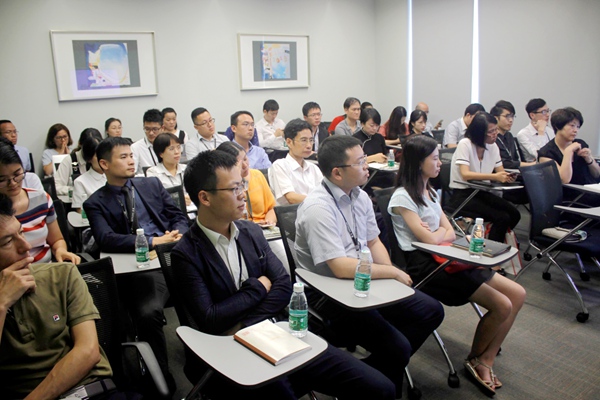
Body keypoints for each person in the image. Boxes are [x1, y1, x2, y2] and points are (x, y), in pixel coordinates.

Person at [170, 150, 396, 400]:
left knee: (381, 388)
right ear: (205, 197)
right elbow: (211, 318)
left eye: (242, 185)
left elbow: (283, 286)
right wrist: (258, 287)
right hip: (230, 352)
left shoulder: (250, 232)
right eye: (234, 189)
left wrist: (244, 322)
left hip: (277, 333)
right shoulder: (186, 253)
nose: (243, 194)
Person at [294, 135, 444, 397]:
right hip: (329, 293)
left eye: (365, 159)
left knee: (431, 310)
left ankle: (369, 376)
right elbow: (340, 267)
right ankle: (375, 381)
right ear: (337, 173)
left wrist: (390, 277)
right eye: (360, 162)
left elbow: (373, 241)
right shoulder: (318, 208)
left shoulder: (360, 196)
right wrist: (392, 271)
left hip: (363, 278)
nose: (367, 166)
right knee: (398, 348)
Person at [390, 134, 526, 395]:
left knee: (518, 294)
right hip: (426, 266)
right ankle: (477, 360)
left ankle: (485, 359)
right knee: (503, 304)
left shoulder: (429, 191)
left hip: (445, 255)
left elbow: (449, 232)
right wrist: (438, 234)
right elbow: (430, 239)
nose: (440, 163)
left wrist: (438, 233)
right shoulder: (402, 198)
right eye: (434, 158)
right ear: (418, 162)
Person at [84, 137, 189, 390]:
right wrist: (152, 241)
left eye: (131, 155)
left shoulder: (150, 184)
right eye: (123, 157)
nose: (131, 161)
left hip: (171, 255)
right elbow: (106, 238)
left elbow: (178, 216)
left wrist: (177, 234)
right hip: (139, 267)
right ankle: (160, 379)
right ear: (104, 164)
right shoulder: (95, 202)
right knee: (148, 313)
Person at [0, 193, 113, 399]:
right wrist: (2, 303)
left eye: (21, 233)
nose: (26, 247)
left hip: (88, 389)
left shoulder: (61, 275)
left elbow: (88, 352)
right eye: (7, 241)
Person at [0, 137, 80, 265]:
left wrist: (60, 250)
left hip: (45, 268)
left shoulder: (41, 199)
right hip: (11, 273)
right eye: (2, 180)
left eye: (17, 174)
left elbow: (56, 240)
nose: (13, 183)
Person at [448, 112, 521, 242]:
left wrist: (507, 177)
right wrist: (495, 176)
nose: (495, 133)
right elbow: (465, 174)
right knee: (502, 217)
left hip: (481, 192)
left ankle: (493, 237)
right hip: (463, 195)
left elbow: (500, 171)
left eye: (496, 129)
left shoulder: (493, 146)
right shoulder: (465, 144)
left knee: (515, 214)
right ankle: (491, 248)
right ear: (479, 133)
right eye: (491, 131)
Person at [538, 107, 600, 203]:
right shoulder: (546, 153)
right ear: (558, 126)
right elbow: (564, 180)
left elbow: (597, 174)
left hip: (592, 192)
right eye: (572, 126)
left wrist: (589, 160)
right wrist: (568, 152)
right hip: (572, 198)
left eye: (578, 127)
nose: (576, 130)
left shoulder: (580, 144)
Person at [269, 119, 323, 206]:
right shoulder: (280, 165)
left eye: (311, 140)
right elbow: (291, 198)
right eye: (304, 140)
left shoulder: (313, 168)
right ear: (289, 142)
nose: (309, 145)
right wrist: (320, 201)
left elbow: (324, 194)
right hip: (292, 212)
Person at [490, 101, 534, 204]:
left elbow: (514, 159)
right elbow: (504, 163)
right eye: (507, 116)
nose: (511, 120)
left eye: (512, 116)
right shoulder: (492, 139)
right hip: (501, 181)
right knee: (536, 190)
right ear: (496, 118)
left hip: (515, 176)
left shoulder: (509, 136)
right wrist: (530, 165)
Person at [146, 132, 191, 206]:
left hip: (191, 210)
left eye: (178, 147)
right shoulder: (153, 173)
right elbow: (155, 198)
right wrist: (178, 200)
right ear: (161, 154)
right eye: (171, 149)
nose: (177, 152)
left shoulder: (187, 169)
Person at [55, 128, 103, 196]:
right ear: (80, 144)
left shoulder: (104, 159)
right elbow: (56, 186)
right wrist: (75, 190)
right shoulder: (70, 160)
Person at [72, 135, 106, 213]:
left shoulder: (116, 177)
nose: (103, 159)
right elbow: (80, 212)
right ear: (89, 159)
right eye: (98, 156)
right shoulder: (80, 182)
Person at [517, 98, 555, 162]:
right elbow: (541, 155)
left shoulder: (550, 131)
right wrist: (541, 132)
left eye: (548, 111)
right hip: (536, 167)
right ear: (532, 115)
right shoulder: (523, 134)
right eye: (544, 112)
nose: (548, 115)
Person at [131, 108, 161, 176]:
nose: (151, 133)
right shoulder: (135, 147)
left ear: (162, 128)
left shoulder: (168, 144)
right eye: (147, 129)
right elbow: (132, 174)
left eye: (155, 129)